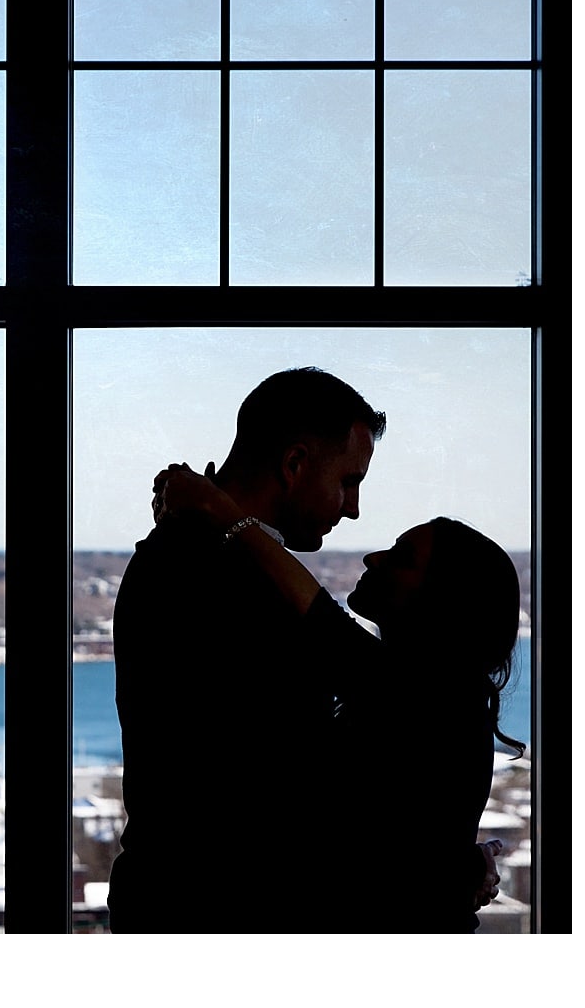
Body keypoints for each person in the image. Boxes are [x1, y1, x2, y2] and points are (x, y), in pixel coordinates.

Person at [153, 462, 523, 932]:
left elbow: (321, 622)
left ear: (442, 605)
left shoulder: (434, 700)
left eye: (402, 558)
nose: (373, 558)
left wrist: (221, 511)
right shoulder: (439, 700)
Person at [107, 367, 386, 932]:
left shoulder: (189, 553)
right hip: (223, 911)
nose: (352, 508)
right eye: (348, 481)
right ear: (295, 464)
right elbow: (282, 784)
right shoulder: (225, 573)